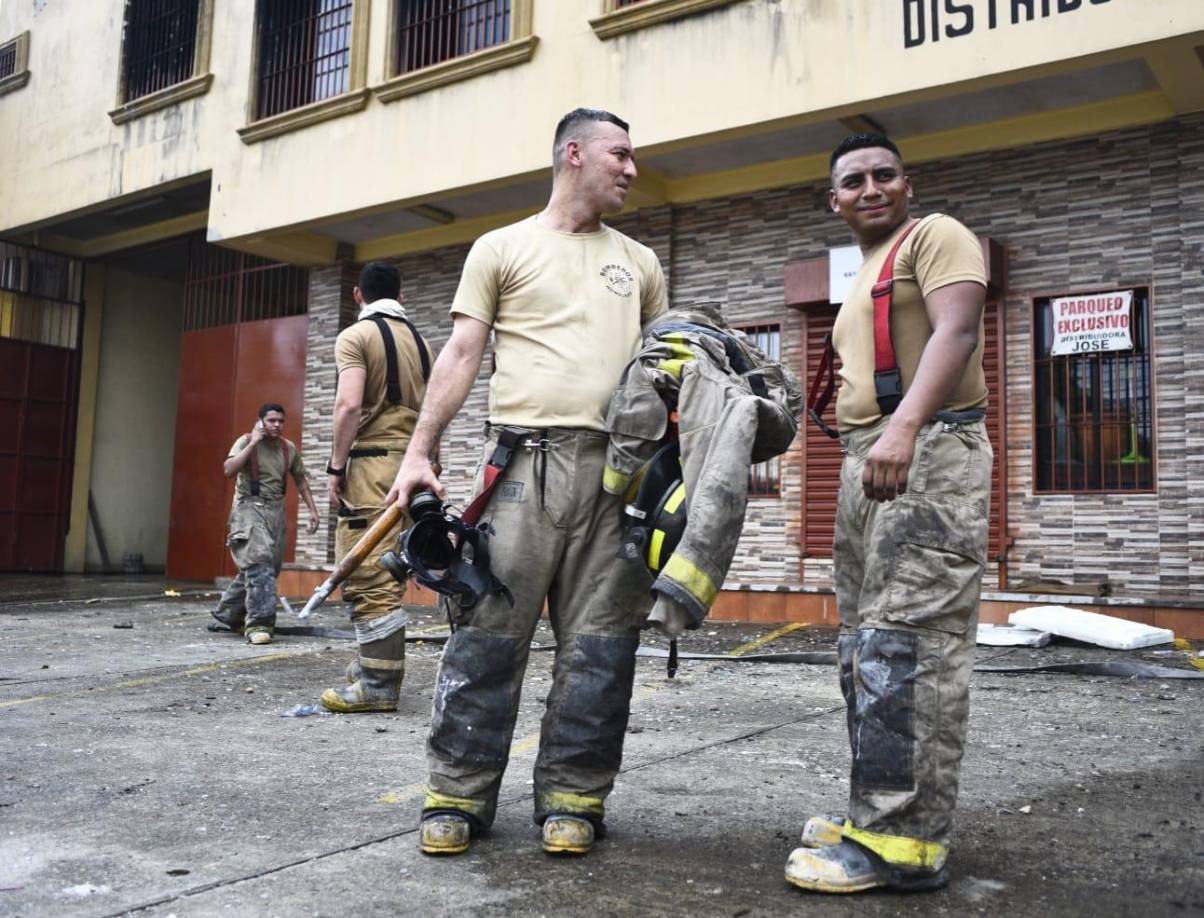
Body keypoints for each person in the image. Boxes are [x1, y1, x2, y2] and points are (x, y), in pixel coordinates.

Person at [386, 108, 668, 858]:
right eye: (622, 154)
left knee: (602, 648)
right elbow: (461, 352)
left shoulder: (638, 262)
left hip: (616, 477)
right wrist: (420, 450)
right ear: (573, 154)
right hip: (519, 469)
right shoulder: (501, 248)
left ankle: (575, 798)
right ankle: (456, 793)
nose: (632, 170)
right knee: (486, 636)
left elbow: (661, 372)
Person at [784, 133, 992, 894]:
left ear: (907, 184)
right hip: (870, 459)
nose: (870, 187)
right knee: (868, 649)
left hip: (928, 449)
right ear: (834, 200)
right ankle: (874, 811)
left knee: (913, 645)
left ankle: (904, 842)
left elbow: (957, 331)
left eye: (884, 174)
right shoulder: (863, 269)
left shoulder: (936, 236)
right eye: (853, 181)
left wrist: (904, 428)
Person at [319, 261, 433, 713]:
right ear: (401, 297)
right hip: (415, 465)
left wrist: (335, 466)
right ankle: (373, 660)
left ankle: (379, 684)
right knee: (397, 561)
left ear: (356, 295)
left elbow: (349, 405)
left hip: (373, 466)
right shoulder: (422, 343)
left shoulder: (355, 336)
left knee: (368, 568)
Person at [212, 403, 319, 645]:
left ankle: (228, 613)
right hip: (248, 508)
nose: (277, 425)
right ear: (260, 421)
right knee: (260, 563)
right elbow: (229, 470)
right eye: (271, 421)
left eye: (280, 421)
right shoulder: (245, 441)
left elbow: (300, 480)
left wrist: (313, 510)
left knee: (265, 567)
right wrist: (252, 444)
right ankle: (259, 624)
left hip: (275, 511)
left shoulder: (287, 448)